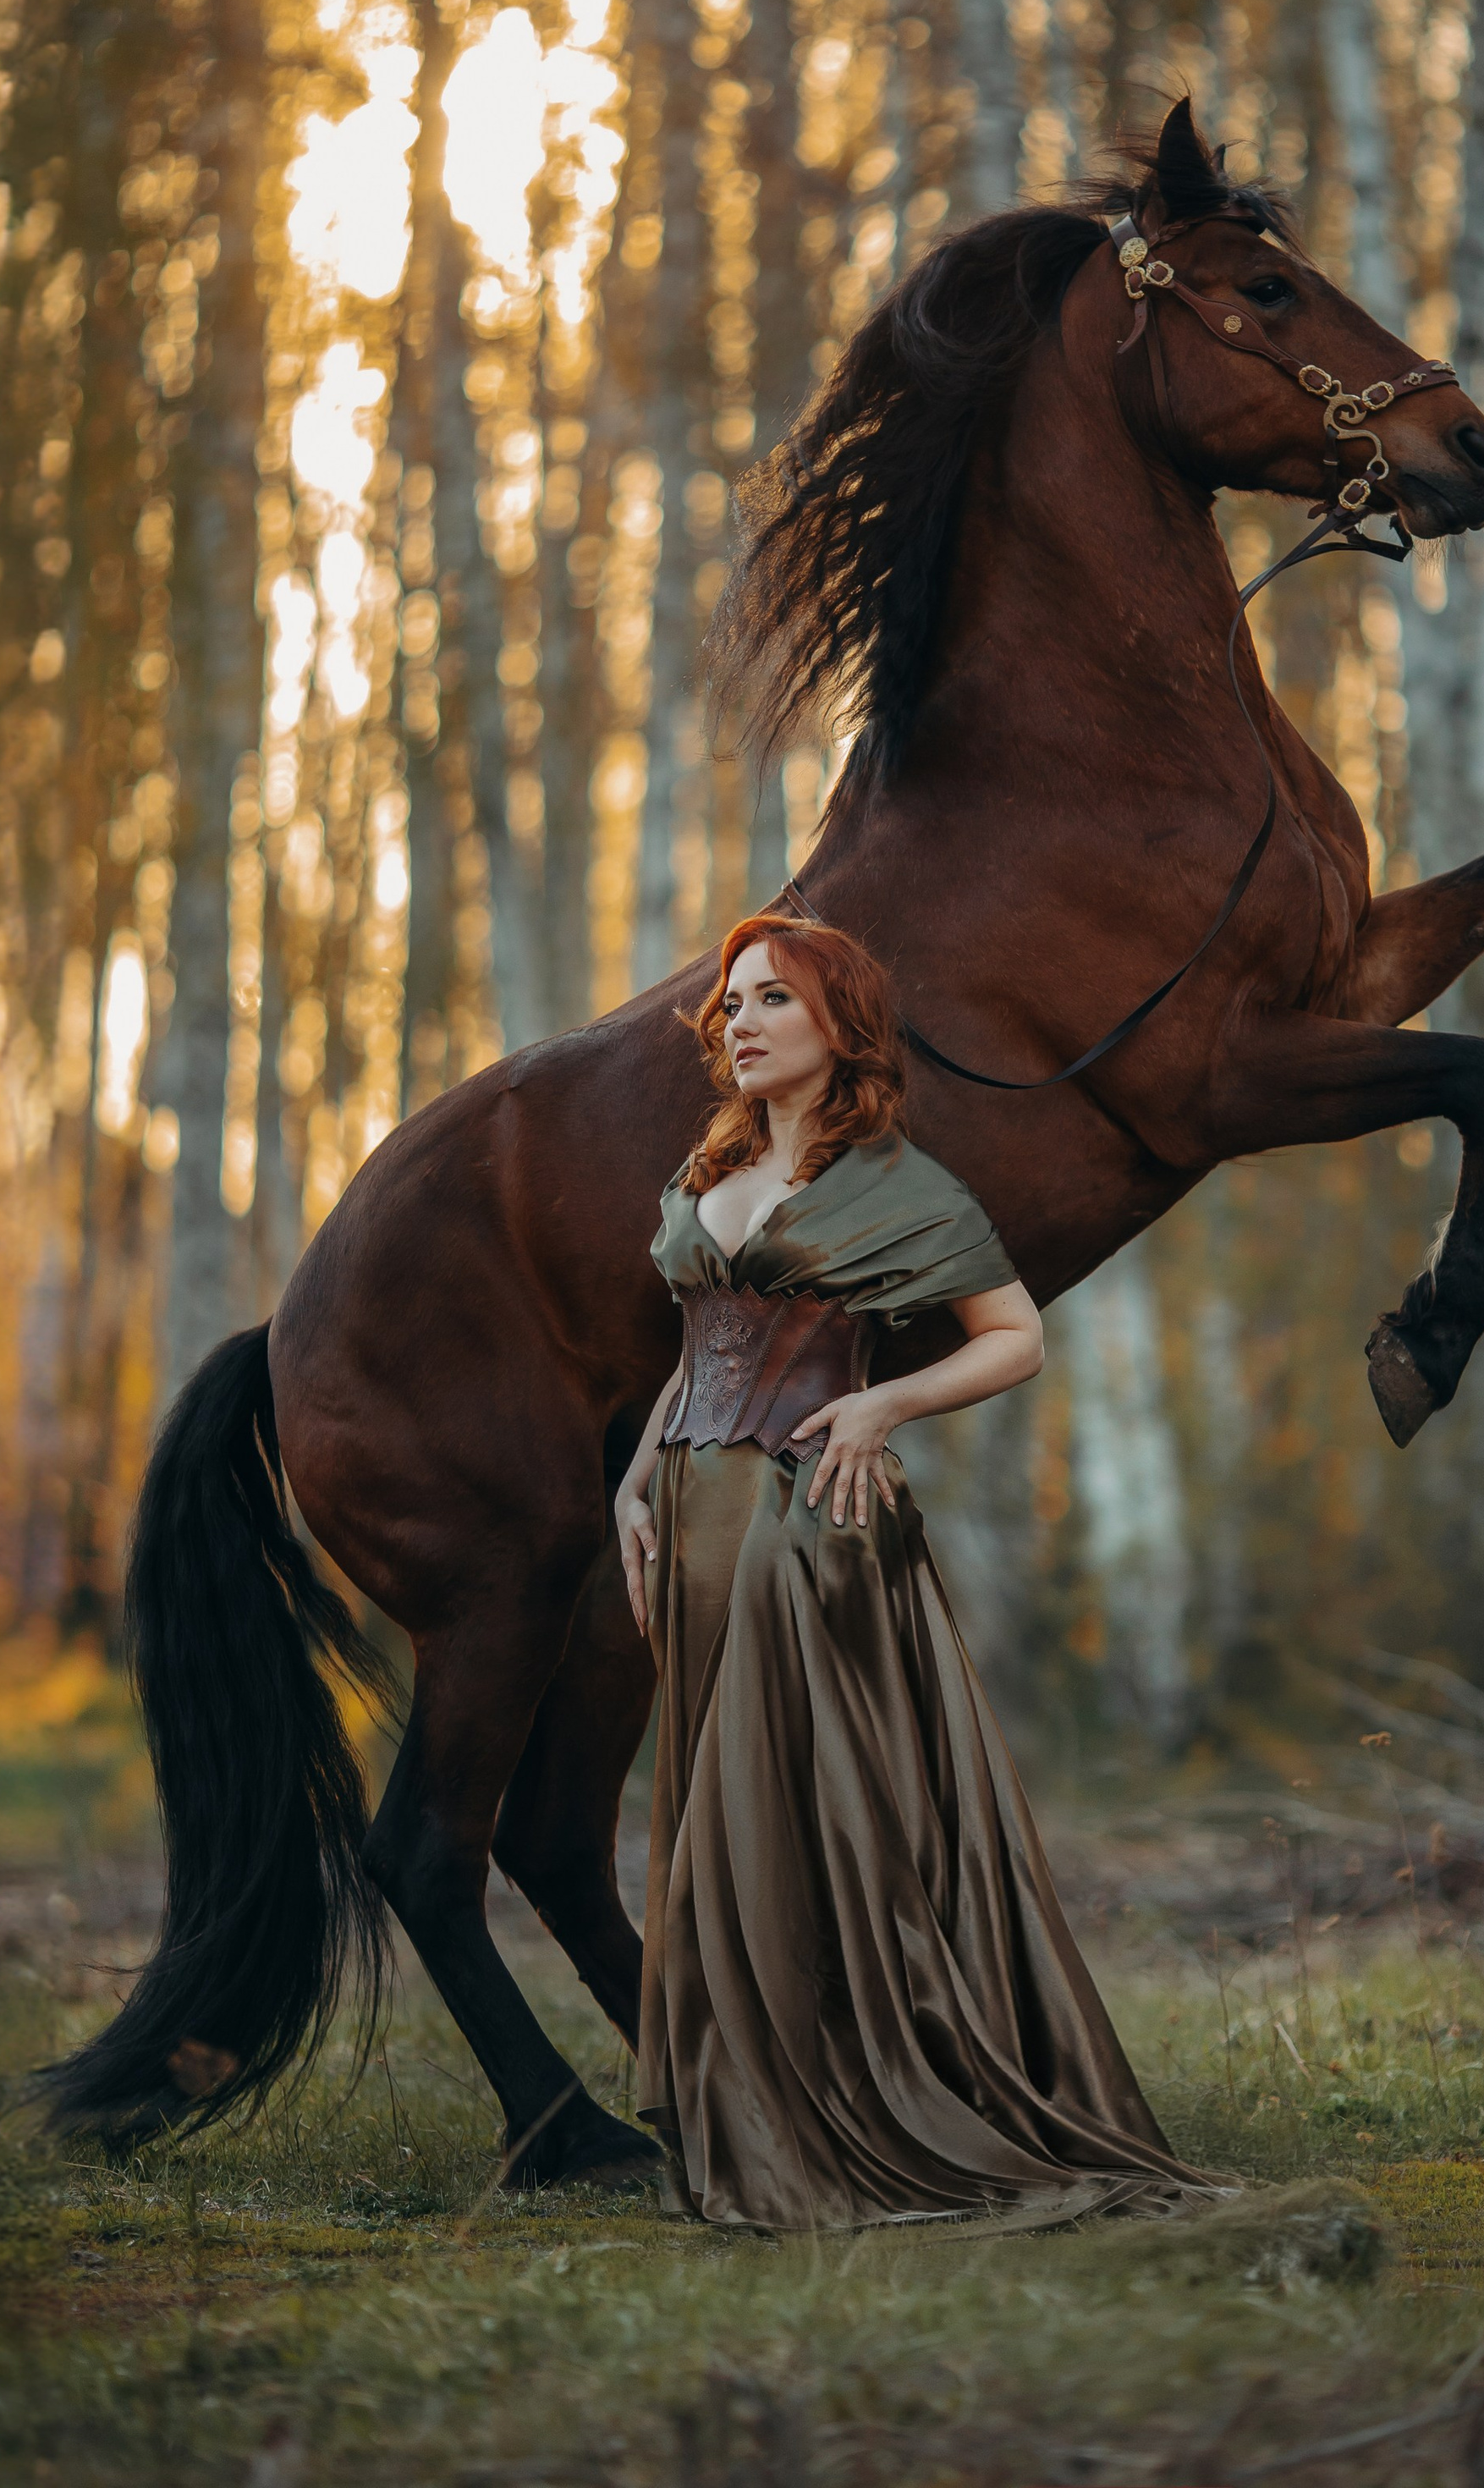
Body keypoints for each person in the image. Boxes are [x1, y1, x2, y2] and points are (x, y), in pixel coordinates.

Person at [613, 909, 1223, 2233]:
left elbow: (1014, 1338)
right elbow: (699, 1346)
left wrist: (887, 1405)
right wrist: (634, 1481)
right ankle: (747, 2099)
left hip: (809, 1515)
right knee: (719, 1790)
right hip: (697, 1511)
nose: (742, 1022)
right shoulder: (713, 1164)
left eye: (774, 999)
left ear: (842, 1024)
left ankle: (845, 2096)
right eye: (732, 1003)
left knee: (801, 1804)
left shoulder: (900, 1186)